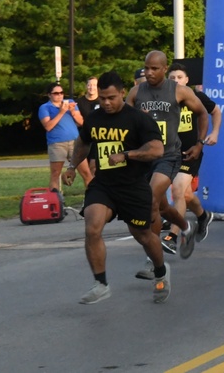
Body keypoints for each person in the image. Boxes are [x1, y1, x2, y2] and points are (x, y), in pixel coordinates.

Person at [64, 71, 169, 304]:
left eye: (111, 97)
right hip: (104, 184)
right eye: (102, 98)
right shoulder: (94, 118)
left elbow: (156, 150)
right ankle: (100, 284)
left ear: (122, 93)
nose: (106, 103)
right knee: (92, 227)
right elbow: (84, 140)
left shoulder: (138, 119)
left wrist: (126, 155)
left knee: (143, 235)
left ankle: (161, 271)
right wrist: (72, 166)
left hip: (133, 186)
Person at [126, 51, 209, 278]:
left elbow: (202, 114)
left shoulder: (180, 91)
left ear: (164, 69)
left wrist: (200, 143)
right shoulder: (135, 93)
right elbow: (124, 125)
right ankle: (186, 227)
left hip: (169, 155)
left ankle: (152, 261)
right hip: (145, 158)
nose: (149, 72)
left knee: (150, 201)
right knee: (161, 207)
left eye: (154, 68)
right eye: (146, 68)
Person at [162, 63, 221, 252]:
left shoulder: (196, 97)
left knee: (178, 191)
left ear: (187, 80)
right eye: (172, 78)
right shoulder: (163, 99)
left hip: (191, 151)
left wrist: (214, 133)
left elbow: (215, 111)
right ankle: (203, 216)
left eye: (180, 77)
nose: (176, 81)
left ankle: (172, 236)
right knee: (186, 195)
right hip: (170, 152)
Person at [39, 83, 89, 191]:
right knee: (55, 174)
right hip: (57, 143)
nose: (60, 95)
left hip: (75, 142)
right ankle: (55, 202)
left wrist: (72, 112)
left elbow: (82, 122)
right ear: (49, 95)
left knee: (86, 172)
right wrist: (61, 112)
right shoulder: (45, 108)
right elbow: (48, 126)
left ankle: (91, 200)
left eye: (61, 93)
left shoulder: (70, 103)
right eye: (56, 93)